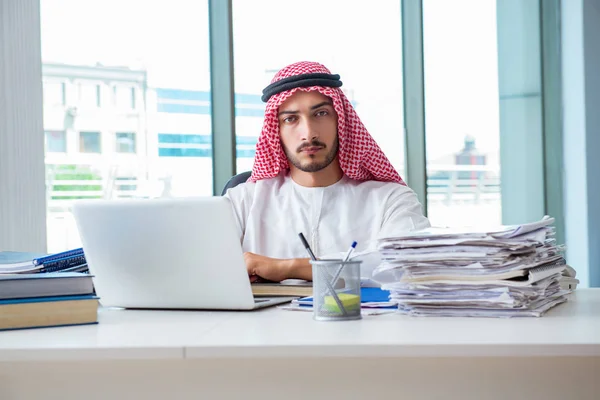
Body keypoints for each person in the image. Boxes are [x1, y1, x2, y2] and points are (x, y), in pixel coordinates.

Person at [225, 61, 430, 282]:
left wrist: (287, 268)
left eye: (321, 113)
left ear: (341, 122)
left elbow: (408, 264)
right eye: (290, 119)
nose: (309, 133)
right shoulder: (244, 200)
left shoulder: (391, 199)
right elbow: (203, 266)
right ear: (277, 131)